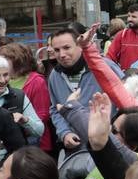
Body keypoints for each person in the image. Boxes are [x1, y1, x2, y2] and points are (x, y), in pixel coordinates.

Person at [47, 25, 123, 154]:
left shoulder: (104, 66)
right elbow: (55, 109)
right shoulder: (55, 75)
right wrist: (65, 133)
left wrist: (115, 131)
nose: (62, 54)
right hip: (77, 150)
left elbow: (127, 100)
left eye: (66, 48)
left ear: (79, 45)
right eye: (57, 50)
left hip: (108, 144)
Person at [0, 42, 53, 152]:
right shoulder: (0, 81)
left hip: (32, 140)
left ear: (18, 61)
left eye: (5, 59)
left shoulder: (36, 81)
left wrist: (22, 125)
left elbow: (42, 114)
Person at [106, 5, 138, 71]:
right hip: (125, 77)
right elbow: (110, 57)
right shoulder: (121, 34)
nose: (129, 19)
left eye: (133, 17)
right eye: (128, 16)